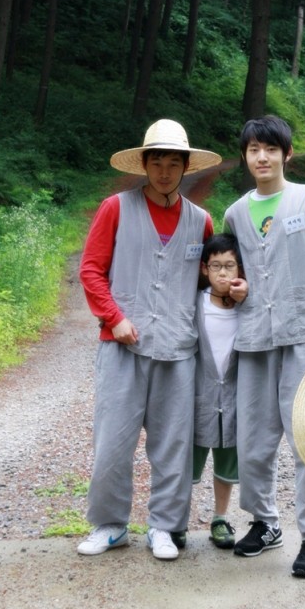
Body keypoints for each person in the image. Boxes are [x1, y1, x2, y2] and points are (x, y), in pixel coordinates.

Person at [77, 119, 221, 561]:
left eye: (173, 163)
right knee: (112, 442)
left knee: (174, 445)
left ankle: (165, 526)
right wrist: (114, 317)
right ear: (144, 164)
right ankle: (110, 525)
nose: (164, 172)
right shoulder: (116, 208)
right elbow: (91, 269)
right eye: (156, 162)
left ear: (185, 167)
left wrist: (230, 289)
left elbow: (208, 279)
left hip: (178, 349)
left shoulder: (201, 222)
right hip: (123, 345)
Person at [223, 114, 305, 578]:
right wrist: (235, 290)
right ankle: (265, 522)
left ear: (286, 154)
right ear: (245, 156)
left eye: (271, 149)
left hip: (303, 336)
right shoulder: (235, 213)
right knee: (253, 438)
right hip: (254, 338)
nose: (262, 157)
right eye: (254, 149)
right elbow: (234, 275)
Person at [193, 234, 247, 549]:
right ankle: (176, 520)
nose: (223, 273)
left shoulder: (247, 306)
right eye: (216, 266)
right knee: (188, 459)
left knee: (228, 459)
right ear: (205, 268)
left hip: (233, 397)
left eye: (230, 265)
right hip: (198, 396)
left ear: (240, 268)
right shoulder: (196, 303)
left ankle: (220, 518)